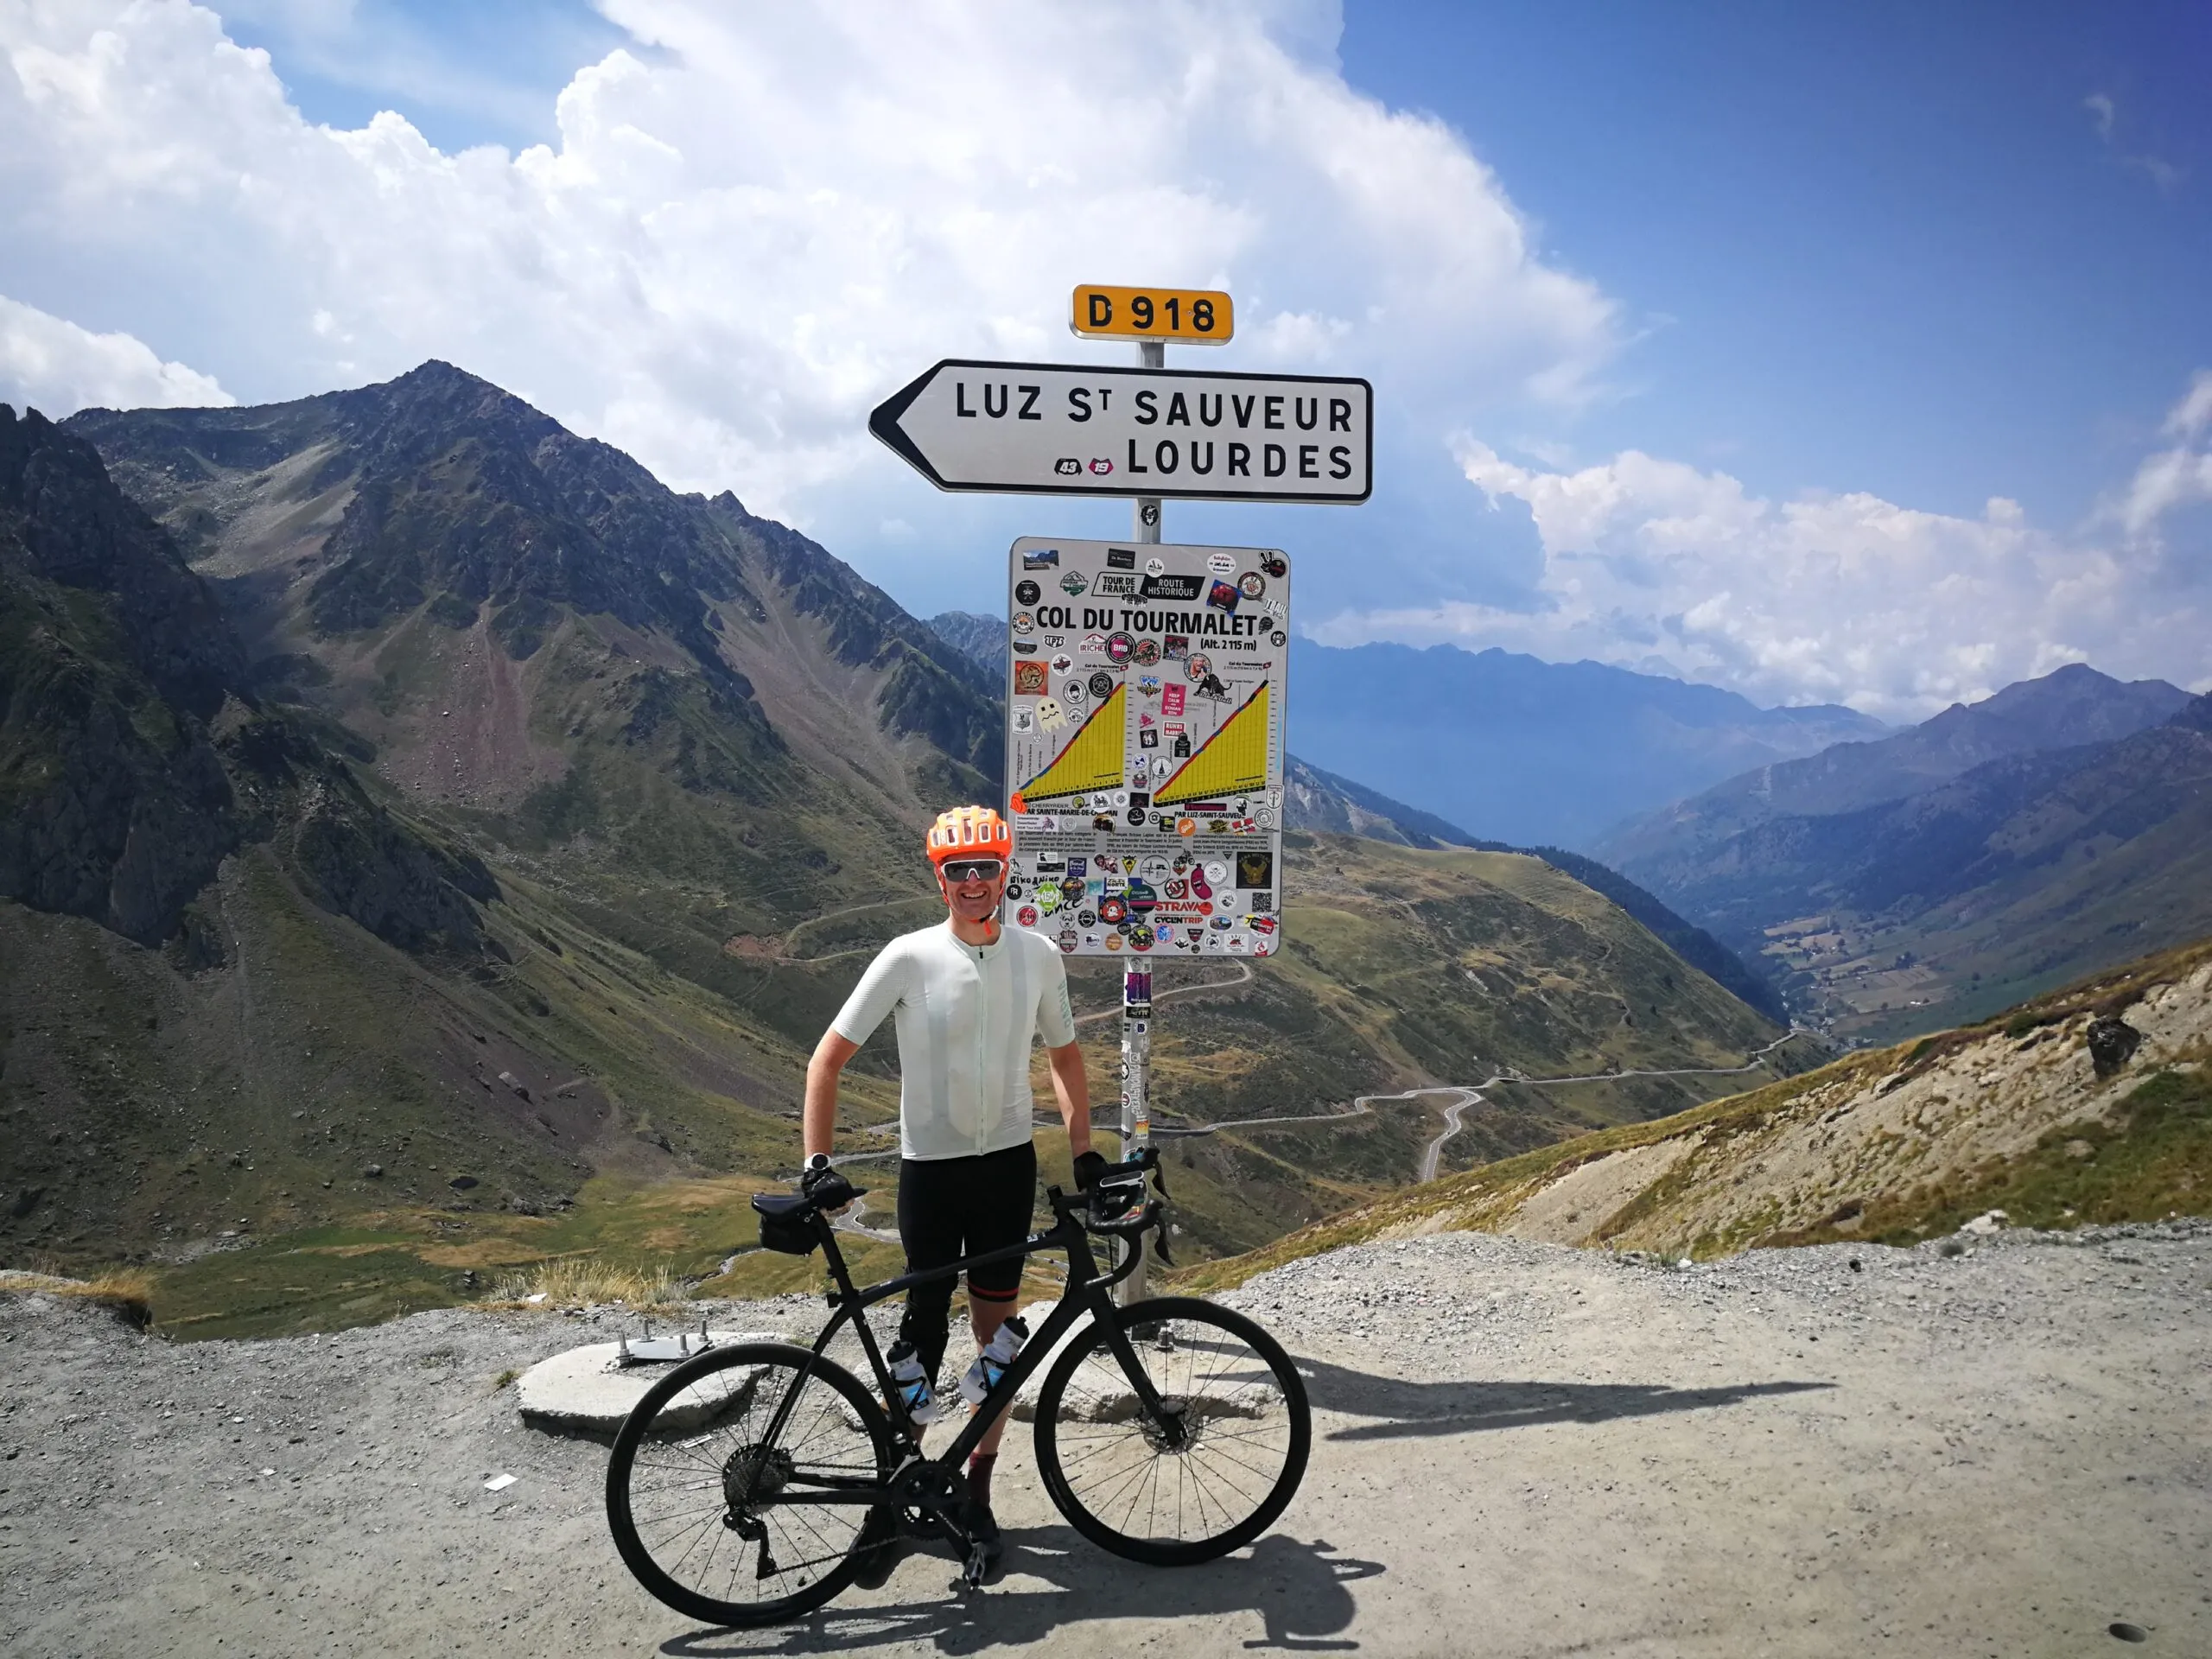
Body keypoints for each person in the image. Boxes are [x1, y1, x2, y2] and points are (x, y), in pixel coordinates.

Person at [800, 804, 1103, 1571]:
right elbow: (825, 1062)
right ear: (938, 879)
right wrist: (816, 1162)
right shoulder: (906, 958)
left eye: (986, 868)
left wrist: (1084, 1153)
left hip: (1006, 1169)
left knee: (996, 1342)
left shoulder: (1039, 955)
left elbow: (1065, 1060)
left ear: (1006, 872)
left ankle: (976, 1491)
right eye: (957, 871)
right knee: (920, 1339)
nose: (973, 883)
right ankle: (889, 1500)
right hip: (929, 1175)